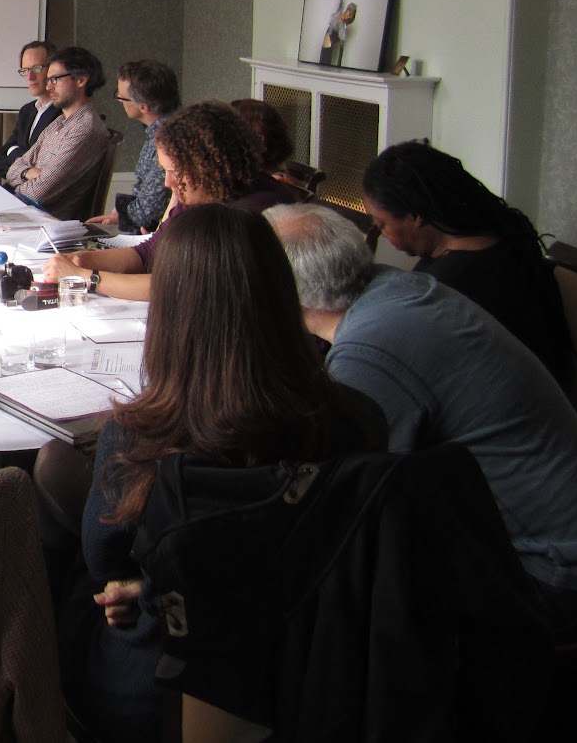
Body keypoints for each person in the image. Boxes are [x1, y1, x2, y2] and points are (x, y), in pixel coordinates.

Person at [64, 203, 386, 739]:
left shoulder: (141, 434)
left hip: (159, 687)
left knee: (63, 564)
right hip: (314, 677)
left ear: (169, 311)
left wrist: (147, 584)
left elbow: (103, 560)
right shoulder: (358, 416)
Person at [266, 202, 577, 635]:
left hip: (550, 572)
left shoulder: (372, 348)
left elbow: (351, 495)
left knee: (315, 588)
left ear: (286, 293)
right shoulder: (392, 287)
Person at [43, 100, 298, 300]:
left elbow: (176, 285)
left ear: (209, 166)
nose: (168, 183)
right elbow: (148, 254)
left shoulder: (253, 212)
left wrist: (85, 277)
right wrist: (85, 259)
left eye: (175, 172)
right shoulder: (201, 194)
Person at [362, 140, 572, 383]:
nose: (381, 233)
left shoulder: (450, 286)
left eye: (382, 224)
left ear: (415, 215)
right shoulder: (498, 237)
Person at [2, 46, 110, 220]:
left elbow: (36, 194)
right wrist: (28, 172)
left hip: (46, 223)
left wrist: (21, 179)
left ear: (81, 80)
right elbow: (12, 169)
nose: (48, 86)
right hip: (26, 213)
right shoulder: (60, 121)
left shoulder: (85, 128)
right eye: (48, 80)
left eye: (55, 79)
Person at [91, 60, 179, 233]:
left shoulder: (168, 139)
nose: (118, 100)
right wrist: (122, 213)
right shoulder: (157, 131)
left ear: (143, 107)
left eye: (121, 97)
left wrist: (125, 212)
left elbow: (147, 212)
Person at [0, 40, 61, 178]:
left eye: (36, 69)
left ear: (52, 69)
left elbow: (40, 170)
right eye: (25, 71)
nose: (30, 77)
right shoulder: (27, 111)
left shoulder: (62, 113)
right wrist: (25, 170)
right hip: (17, 187)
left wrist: (13, 153)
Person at [319, 2, 357, 67]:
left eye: (350, 13)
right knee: (324, 58)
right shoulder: (338, 15)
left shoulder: (342, 29)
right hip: (327, 42)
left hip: (329, 44)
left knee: (325, 59)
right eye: (348, 9)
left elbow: (342, 39)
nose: (348, 13)